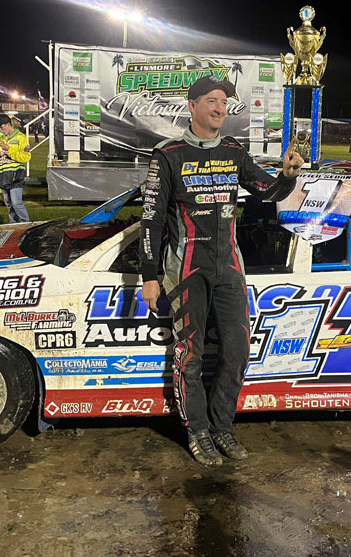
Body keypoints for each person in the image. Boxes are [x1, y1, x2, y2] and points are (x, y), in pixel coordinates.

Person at [139, 75, 304, 466]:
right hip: (185, 270)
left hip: (229, 266)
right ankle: (197, 431)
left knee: (238, 351)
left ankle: (222, 427)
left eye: (224, 103)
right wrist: (148, 275)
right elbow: (150, 220)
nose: (220, 108)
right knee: (190, 355)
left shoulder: (233, 150)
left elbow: (266, 191)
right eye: (212, 101)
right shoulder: (168, 154)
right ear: (192, 104)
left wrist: (287, 175)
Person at [0, 114, 32, 223]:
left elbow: (26, 157)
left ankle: (25, 224)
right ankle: (13, 226)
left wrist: (9, 149)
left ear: (8, 124)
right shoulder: (1, 139)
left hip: (15, 176)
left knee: (16, 203)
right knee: (9, 204)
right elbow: (0, 158)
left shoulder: (21, 138)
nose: (0, 130)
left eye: (1, 127)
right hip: (3, 175)